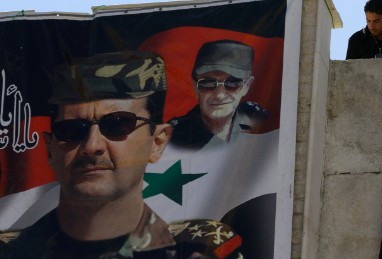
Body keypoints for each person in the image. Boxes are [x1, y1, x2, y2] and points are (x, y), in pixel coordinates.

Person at [0, 51, 243, 258]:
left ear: (157, 142)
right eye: (72, 129)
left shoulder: (201, 248)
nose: (92, 145)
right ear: (49, 150)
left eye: (117, 125)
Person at [168, 40, 269, 150]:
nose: (219, 95)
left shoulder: (260, 122)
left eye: (233, 83)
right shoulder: (172, 138)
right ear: (195, 87)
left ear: (246, 86)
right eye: (208, 83)